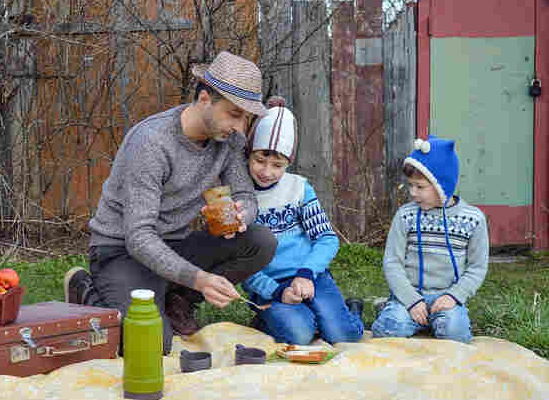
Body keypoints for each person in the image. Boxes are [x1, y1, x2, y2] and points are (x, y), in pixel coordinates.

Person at [64, 51, 277, 356]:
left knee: (260, 241)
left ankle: (177, 300)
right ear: (205, 99)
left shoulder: (229, 141)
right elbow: (139, 238)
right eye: (235, 114)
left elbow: (245, 195)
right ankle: (84, 289)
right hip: (122, 252)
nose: (241, 128)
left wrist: (243, 213)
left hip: (175, 243)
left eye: (247, 118)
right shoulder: (151, 143)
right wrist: (200, 279)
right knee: (151, 345)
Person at [241, 97, 365, 345]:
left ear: (289, 162)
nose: (267, 172)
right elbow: (240, 262)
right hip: (271, 284)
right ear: (249, 153)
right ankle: (272, 316)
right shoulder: (239, 194)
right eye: (259, 161)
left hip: (309, 276)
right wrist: (275, 292)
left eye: (277, 165)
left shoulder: (299, 189)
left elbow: (326, 239)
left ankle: (351, 311)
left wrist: (307, 273)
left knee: (344, 336)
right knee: (299, 334)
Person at [371, 136, 489, 343]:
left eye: (420, 187)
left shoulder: (473, 219)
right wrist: (410, 300)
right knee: (388, 330)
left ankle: (439, 319)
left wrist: (453, 297)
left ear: (443, 185)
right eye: (410, 186)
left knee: (455, 334)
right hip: (410, 295)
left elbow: (477, 268)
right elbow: (392, 263)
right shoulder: (405, 215)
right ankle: (392, 308)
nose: (413, 193)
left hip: (447, 297)